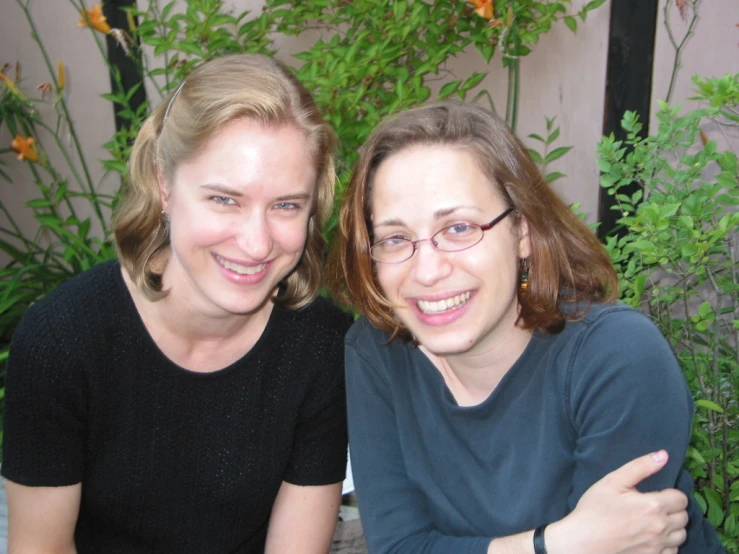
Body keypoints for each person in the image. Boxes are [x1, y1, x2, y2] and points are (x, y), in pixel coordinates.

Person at [328, 101, 725, 553]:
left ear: (523, 230)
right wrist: (555, 544)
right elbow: (398, 546)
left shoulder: (616, 356)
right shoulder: (376, 350)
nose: (427, 270)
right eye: (396, 238)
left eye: (458, 228)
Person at [2, 54, 352, 553]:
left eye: (285, 205)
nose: (257, 244)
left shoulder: (322, 348)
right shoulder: (64, 342)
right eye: (224, 199)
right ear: (164, 186)